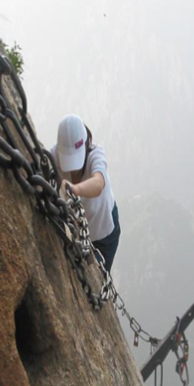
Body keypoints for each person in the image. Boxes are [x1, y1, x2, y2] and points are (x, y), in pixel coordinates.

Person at [51, 114, 120, 273]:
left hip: (103, 232)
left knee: (100, 276)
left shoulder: (96, 154)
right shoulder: (54, 154)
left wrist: (76, 189)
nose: (73, 169)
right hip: (77, 229)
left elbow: (98, 183)